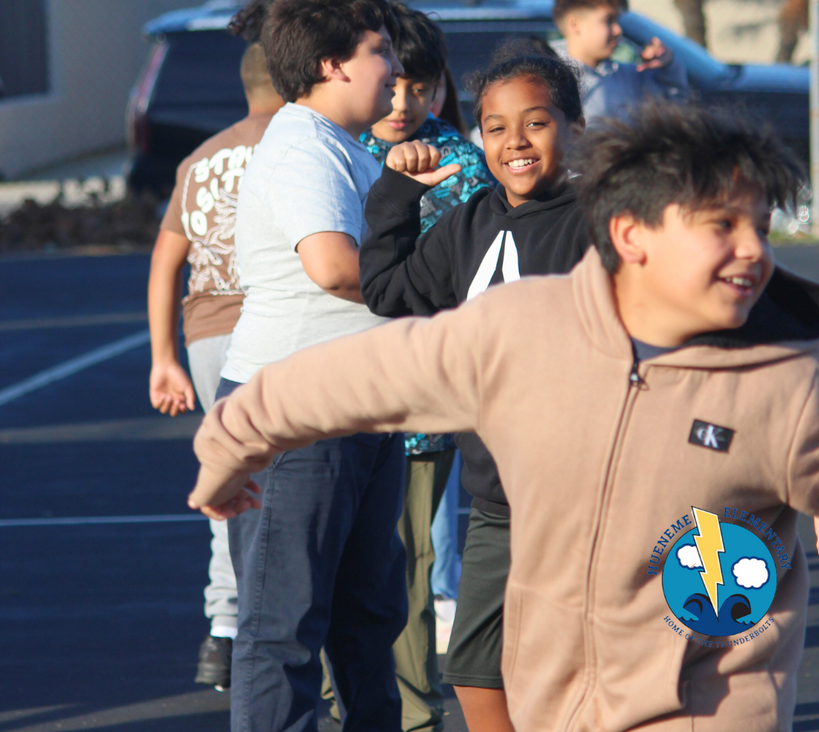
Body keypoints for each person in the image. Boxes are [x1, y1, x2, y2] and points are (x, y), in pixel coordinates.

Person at [189, 100, 815, 732]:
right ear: (631, 234)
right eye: (722, 226)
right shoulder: (522, 332)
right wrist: (228, 450)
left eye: (760, 228)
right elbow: (342, 380)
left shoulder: (786, 387)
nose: (753, 251)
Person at [361, 46, 587, 732]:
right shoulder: (471, 220)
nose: (513, 142)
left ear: (574, 127)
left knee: (592, 670)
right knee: (474, 670)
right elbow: (388, 290)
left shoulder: (605, 221)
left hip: (591, 498)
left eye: (536, 123)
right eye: (494, 127)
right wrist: (398, 195)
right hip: (497, 502)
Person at [215, 0, 407, 732]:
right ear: (332, 64)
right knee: (282, 628)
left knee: (367, 618)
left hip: (354, 409)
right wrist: (439, 300)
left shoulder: (342, 147)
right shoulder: (301, 147)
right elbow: (332, 266)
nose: (395, 69)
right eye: (380, 50)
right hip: (297, 415)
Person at [359, 1, 494, 732]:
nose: (404, 104)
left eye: (422, 86)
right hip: (332, 401)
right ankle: (342, 701)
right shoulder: (331, 146)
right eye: (391, 85)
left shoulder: (461, 164)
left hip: (417, 407)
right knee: (337, 570)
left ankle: (414, 715)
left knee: (410, 574)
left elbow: (454, 284)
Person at [147, 0, 288, 688]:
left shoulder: (201, 159)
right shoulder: (297, 147)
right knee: (296, 481)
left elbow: (164, 260)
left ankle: (223, 634)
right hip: (276, 326)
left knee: (229, 480)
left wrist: (163, 356)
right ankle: (286, 626)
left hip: (206, 334)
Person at [552, 0, 688, 121]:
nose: (618, 30)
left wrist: (667, 67)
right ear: (575, 25)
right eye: (608, 20)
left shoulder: (627, 77)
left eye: (617, 21)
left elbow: (674, 109)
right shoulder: (548, 80)